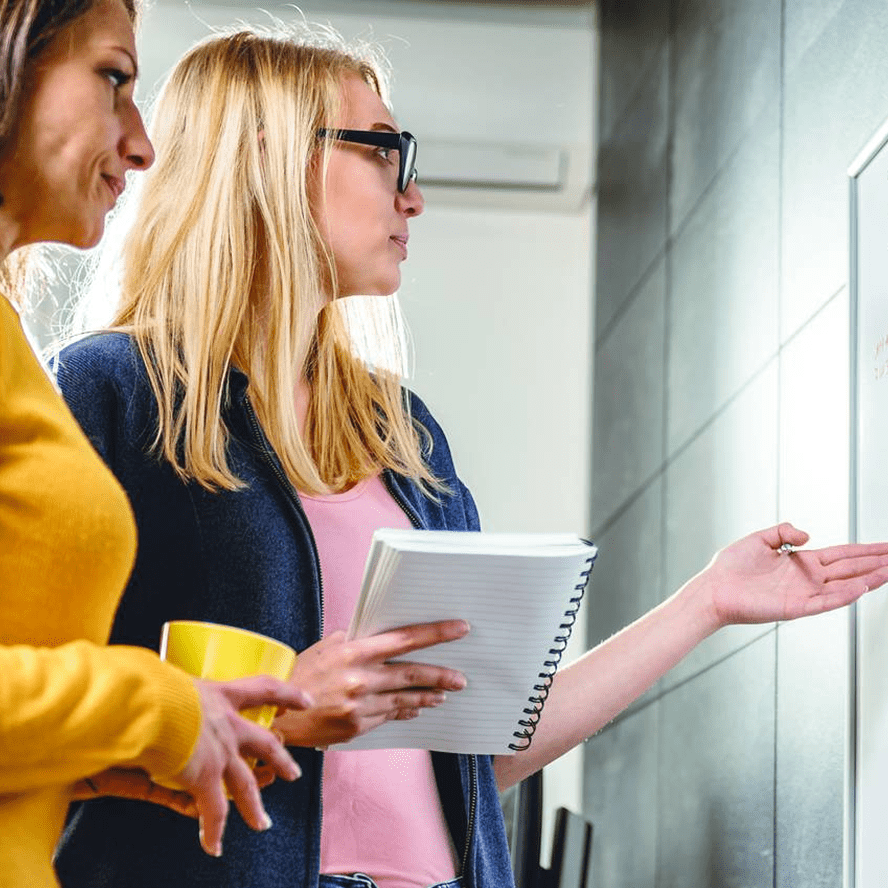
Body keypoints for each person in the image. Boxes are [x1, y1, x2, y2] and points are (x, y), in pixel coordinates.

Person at [52, 24, 888, 888]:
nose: (412, 198)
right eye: (385, 151)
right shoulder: (108, 394)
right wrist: (284, 706)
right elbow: (42, 713)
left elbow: (473, 760)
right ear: (266, 155)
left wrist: (706, 602)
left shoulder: (399, 432)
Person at [0, 5, 317, 886]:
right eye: (113, 78)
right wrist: (156, 706)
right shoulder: (103, 377)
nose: (141, 144)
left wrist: (105, 759)